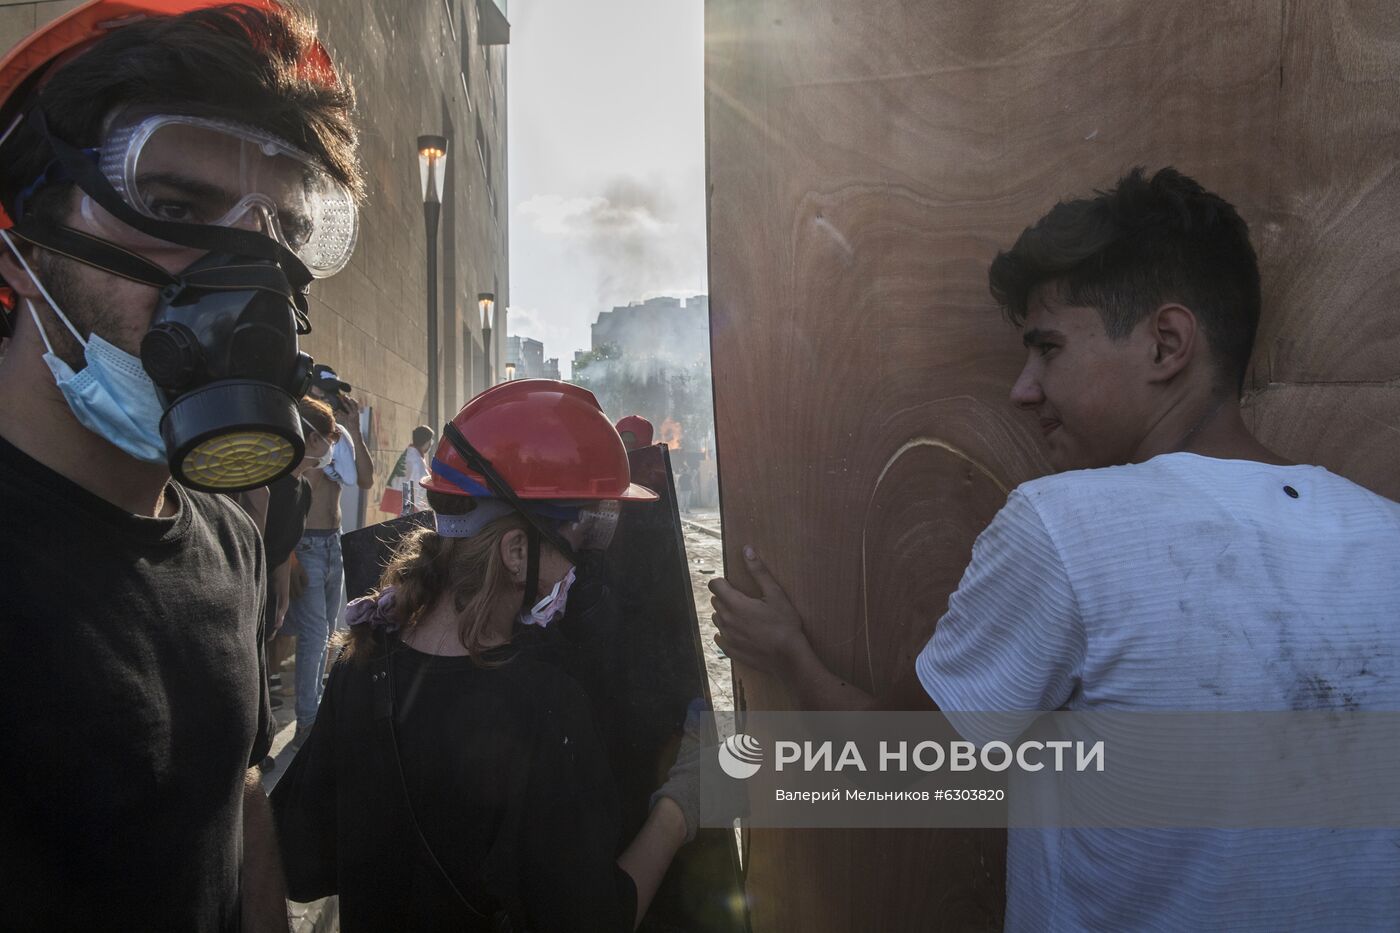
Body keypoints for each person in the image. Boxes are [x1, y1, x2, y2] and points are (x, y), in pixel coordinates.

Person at [709, 168, 1400, 930]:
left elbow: (904, 769)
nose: (1023, 389)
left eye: (1048, 348)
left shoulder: (1068, 529)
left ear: (1167, 343)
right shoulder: (1385, 536)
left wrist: (790, 654)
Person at [0, 0, 363, 928]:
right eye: (170, 208)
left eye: (282, 229)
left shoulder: (229, 546)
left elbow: (238, 798)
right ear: (26, 233)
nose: (246, 275)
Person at [272, 381, 731, 931]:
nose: (583, 568)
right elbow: (601, 918)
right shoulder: (545, 708)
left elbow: (301, 864)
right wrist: (681, 804)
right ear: (516, 551)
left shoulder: (362, 661)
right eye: (583, 538)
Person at [286, 363, 374, 743]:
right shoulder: (303, 432)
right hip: (304, 541)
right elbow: (286, 494)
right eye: (327, 393)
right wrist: (288, 554)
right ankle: (308, 718)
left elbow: (365, 480)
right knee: (313, 631)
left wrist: (353, 430)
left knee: (327, 630)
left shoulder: (336, 439)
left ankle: (316, 708)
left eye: (336, 394)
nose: (334, 401)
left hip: (332, 539)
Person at [380, 423, 435, 514]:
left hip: (405, 506)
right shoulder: (416, 461)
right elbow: (422, 489)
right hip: (412, 510)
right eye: (430, 441)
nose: (430, 445)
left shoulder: (411, 454)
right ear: (426, 442)